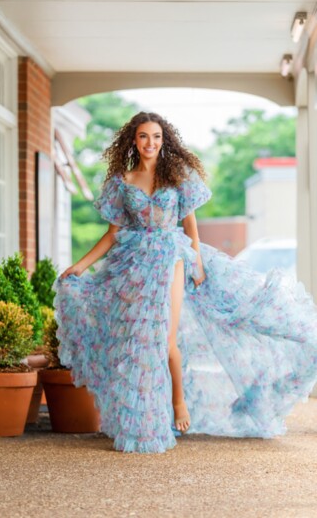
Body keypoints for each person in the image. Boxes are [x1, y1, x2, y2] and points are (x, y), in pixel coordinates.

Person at [54, 111, 317, 454]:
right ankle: (142, 420)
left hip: (170, 257)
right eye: (144, 136)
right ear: (133, 140)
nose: (151, 143)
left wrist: (197, 263)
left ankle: (179, 402)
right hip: (132, 264)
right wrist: (79, 265)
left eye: (157, 136)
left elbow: (191, 226)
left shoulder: (177, 177)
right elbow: (111, 234)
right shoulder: (123, 181)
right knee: (137, 341)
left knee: (165, 338)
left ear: (165, 141)